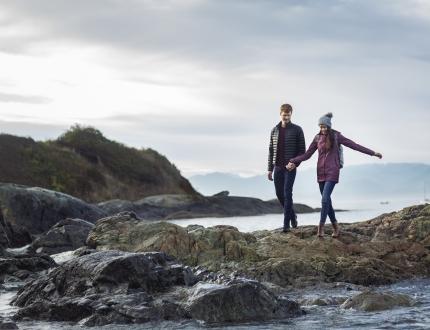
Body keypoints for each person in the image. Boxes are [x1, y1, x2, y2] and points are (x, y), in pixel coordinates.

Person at [287, 112, 382, 238]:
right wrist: (293, 160)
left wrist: (373, 153)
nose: (322, 129)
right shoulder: (317, 138)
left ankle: (320, 228)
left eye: (324, 126)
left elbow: (355, 146)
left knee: (325, 199)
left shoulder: (337, 136)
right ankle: (336, 227)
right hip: (320, 172)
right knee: (327, 202)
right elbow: (307, 154)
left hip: (333, 171)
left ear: (329, 126)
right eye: (320, 126)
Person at [268, 104, 306, 233]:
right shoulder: (274, 130)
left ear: (291, 114)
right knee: (279, 194)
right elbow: (271, 151)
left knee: (287, 193)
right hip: (277, 167)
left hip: (290, 168)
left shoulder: (297, 130)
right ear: (280, 114)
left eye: (288, 115)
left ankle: (286, 224)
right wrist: (269, 169)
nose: (286, 117)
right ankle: (292, 215)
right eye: (284, 115)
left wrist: (295, 163)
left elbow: (302, 151)